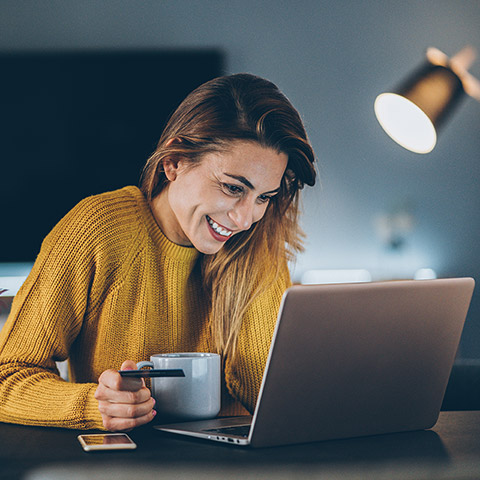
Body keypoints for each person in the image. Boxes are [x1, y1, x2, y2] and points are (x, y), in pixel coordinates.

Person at [0, 73, 316, 431]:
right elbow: (6, 377)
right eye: (232, 187)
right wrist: (94, 404)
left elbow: (275, 399)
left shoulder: (258, 244)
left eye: (264, 197)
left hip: (237, 467)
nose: (246, 218)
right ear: (174, 162)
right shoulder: (97, 230)